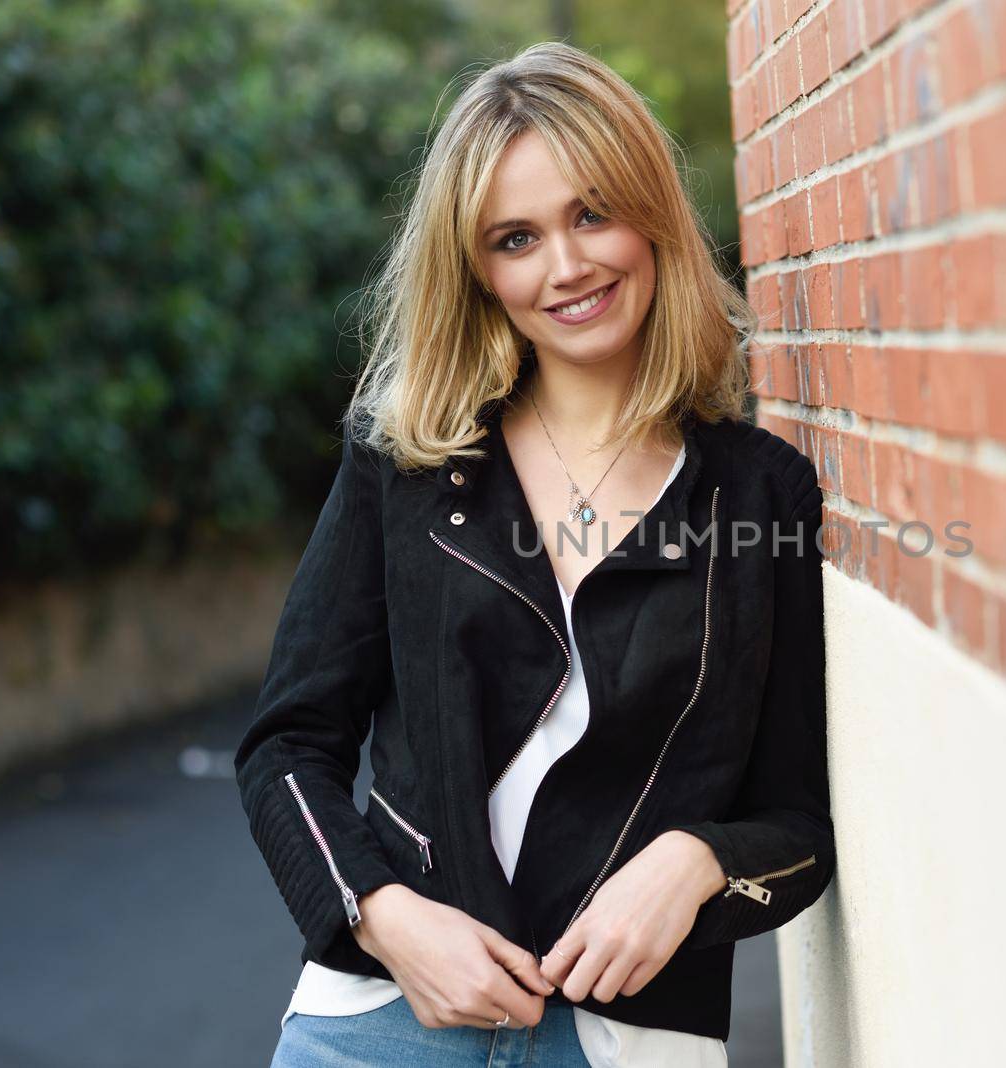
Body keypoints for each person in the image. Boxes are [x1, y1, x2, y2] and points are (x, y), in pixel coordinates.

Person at [232, 40, 835, 1067]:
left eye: (592, 212)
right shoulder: (410, 460)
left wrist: (696, 862)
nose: (567, 267)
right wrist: (381, 915)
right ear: (476, 268)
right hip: (384, 1027)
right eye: (516, 237)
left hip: (629, 1039)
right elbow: (288, 747)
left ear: (650, 212)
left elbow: (799, 829)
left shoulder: (756, 491)